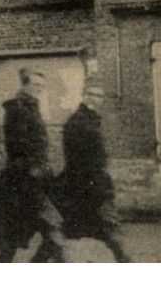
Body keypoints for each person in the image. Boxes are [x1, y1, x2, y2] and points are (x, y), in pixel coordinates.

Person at [0, 67, 65, 262]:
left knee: (37, 230)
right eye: (35, 85)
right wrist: (33, 168)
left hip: (35, 179)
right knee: (22, 232)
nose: (40, 89)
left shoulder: (31, 106)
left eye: (42, 86)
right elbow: (16, 144)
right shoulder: (18, 108)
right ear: (25, 85)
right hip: (23, 180)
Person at [57, 83, 131, 262]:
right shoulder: (79, 122)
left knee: (69, 231)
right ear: (84, 96)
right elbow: (80, 159)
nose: (98, 100)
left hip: (87, 186)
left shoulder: (89, 120)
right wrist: (98, 183)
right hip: (86, 187)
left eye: (100, 96)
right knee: (108, 229)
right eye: (94, 95)